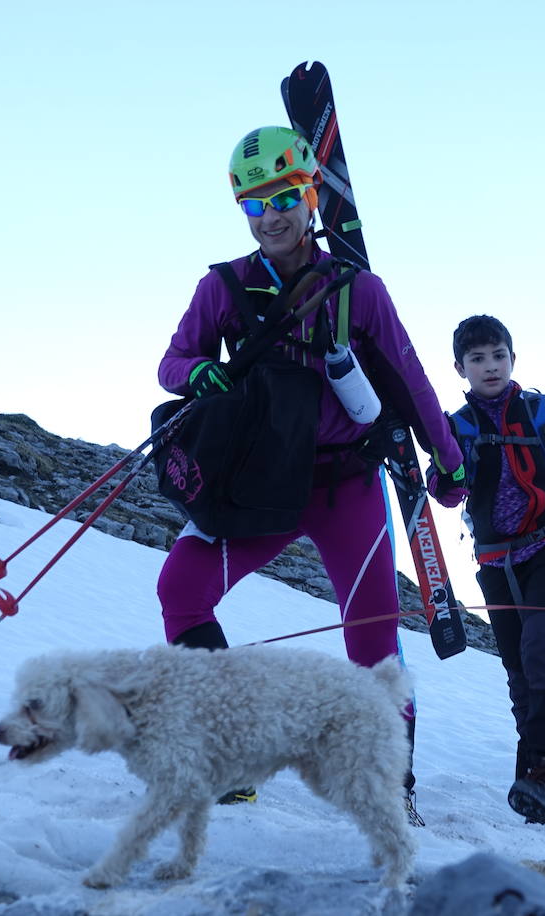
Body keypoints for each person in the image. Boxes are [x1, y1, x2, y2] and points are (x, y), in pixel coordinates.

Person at [155, 125, 466, 812]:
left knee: (374, 649)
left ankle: (392, 788)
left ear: (310, 195)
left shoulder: (360, 291)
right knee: (181, 588)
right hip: (262, 484)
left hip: (347, 484)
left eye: (284, 197)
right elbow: (172, 362)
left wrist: (449, 462)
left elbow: (411, 382)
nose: (271, 216)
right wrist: (199, 370)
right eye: (254, 204)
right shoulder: (225, 286)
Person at [443, 315, 545, 827]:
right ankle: (536, 769)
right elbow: (449, 489)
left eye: (498, 356)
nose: (490, 367)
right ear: (460, 368)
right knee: (519, 667)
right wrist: (441, 479)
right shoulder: (455, 426)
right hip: (496, 562)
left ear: (513, 359)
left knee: (541, 651)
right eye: (478, 359)